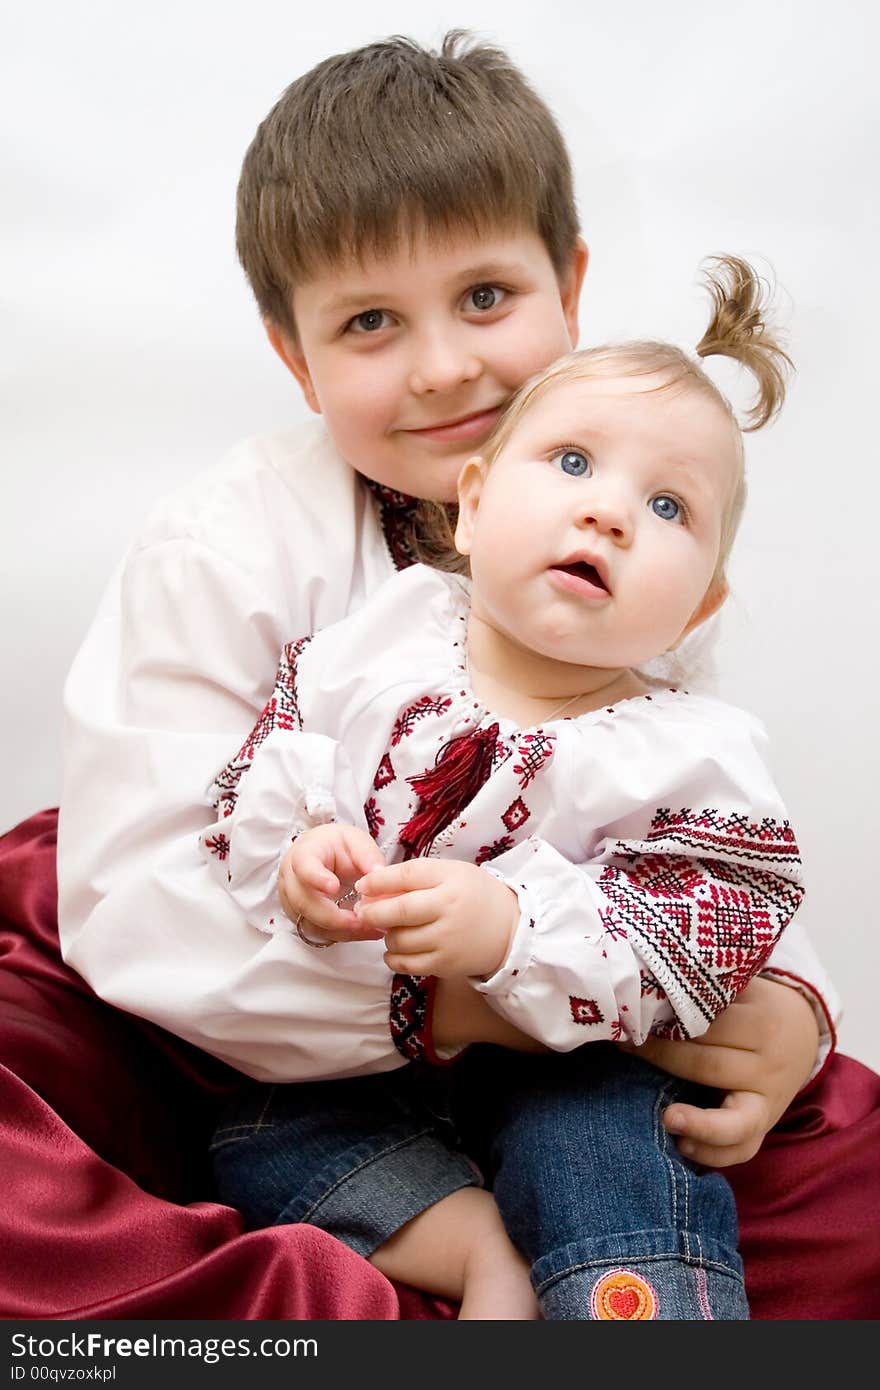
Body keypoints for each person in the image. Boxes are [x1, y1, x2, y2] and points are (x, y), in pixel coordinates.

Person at [42, 32, 875, 1319]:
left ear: (570, 284)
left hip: (577, 1023)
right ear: (292, 353)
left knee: (815, 1174)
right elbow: (141, 902)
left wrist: (792, 1010)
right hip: (272, 1025)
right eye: (371, 322)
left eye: (485, 297)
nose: (443, 366)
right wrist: (460, 1002)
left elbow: (684, 802)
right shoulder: (228, 544)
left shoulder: (614, 532)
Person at [201, 259, 805, 1319]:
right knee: (255, 1134)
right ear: (473, 505)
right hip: (352, 1066)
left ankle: (631, 1305)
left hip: (568, 1064)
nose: (609, 514)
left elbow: (709, 934)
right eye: (572, 462)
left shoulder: (684, 753)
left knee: (614, 1150)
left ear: (695, 607)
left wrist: (514, 928)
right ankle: (476, 1252)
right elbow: (274, 760)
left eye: (666, 505)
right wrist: (300, 860)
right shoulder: (379, 645)